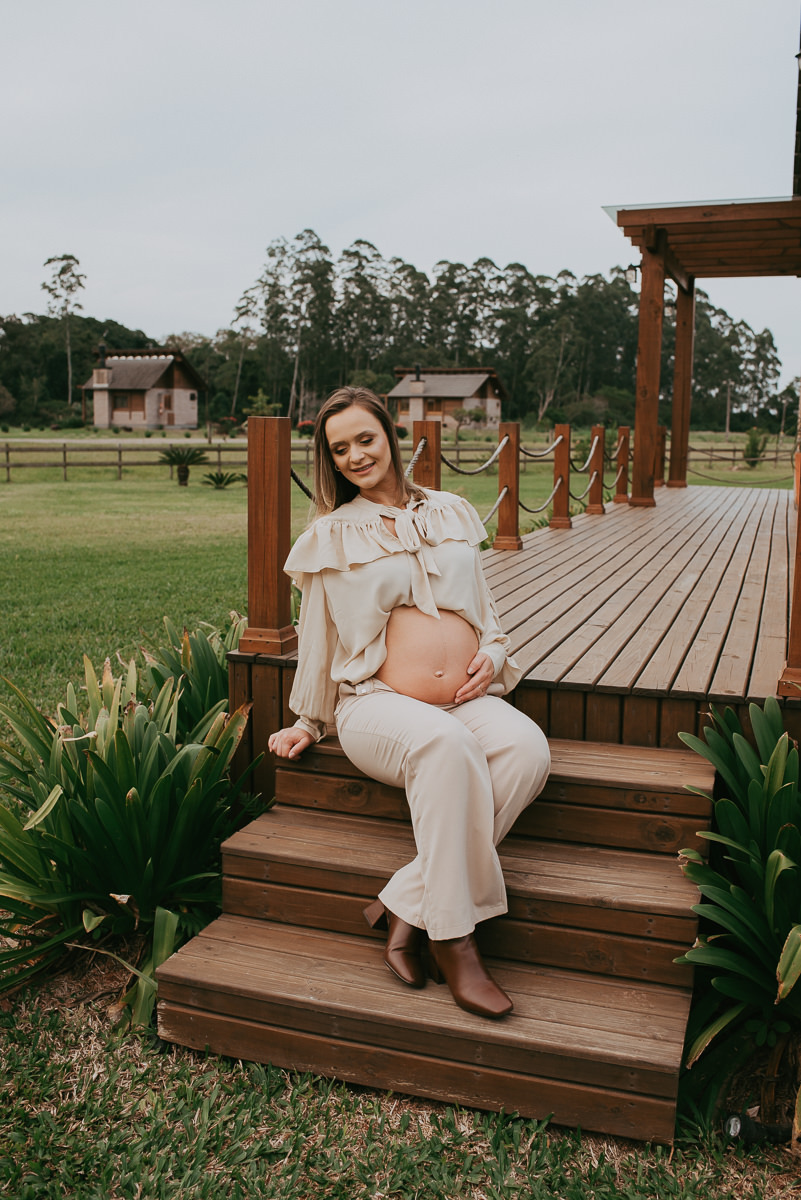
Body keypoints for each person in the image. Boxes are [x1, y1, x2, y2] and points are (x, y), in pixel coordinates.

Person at [268, 387, 550, 1018]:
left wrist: (496, 658)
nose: (355, 456)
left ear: (390, 437)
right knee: (446, 748)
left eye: (365, 439)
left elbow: (489, 615)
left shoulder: (450, 511)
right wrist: (308, 720)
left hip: (463, 697)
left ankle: (405, 902)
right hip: (377, 706)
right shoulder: (330, 535)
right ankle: (454, 941)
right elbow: (319, 638)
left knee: (526, 749)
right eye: (339, 449)